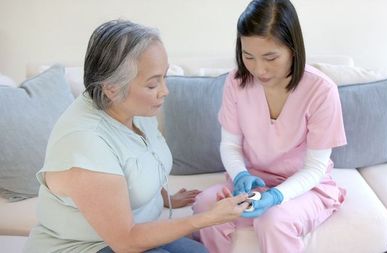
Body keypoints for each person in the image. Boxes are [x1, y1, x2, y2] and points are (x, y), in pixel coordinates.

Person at [24, 19, 249, 253]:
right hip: (90, 246)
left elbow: (139, 160)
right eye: (153, 84)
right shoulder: (85, 143)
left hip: (135, 232)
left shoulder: (132, 109)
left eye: (164, 77)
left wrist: (164, 198)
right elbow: (126, 242)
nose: (165, 91)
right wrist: (207, 218)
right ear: (111, 88)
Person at [192, 0, 347, 252]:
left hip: (305, 186)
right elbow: (230, 144)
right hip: (255, 181)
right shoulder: (237, 81)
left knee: (273, 220)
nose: (259, 69)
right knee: (206, 206)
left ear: (293, 49)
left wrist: (277, 196)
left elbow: (315, 167)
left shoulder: (321, 90)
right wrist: (240, 174)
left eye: (270, 57)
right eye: (248, 56)